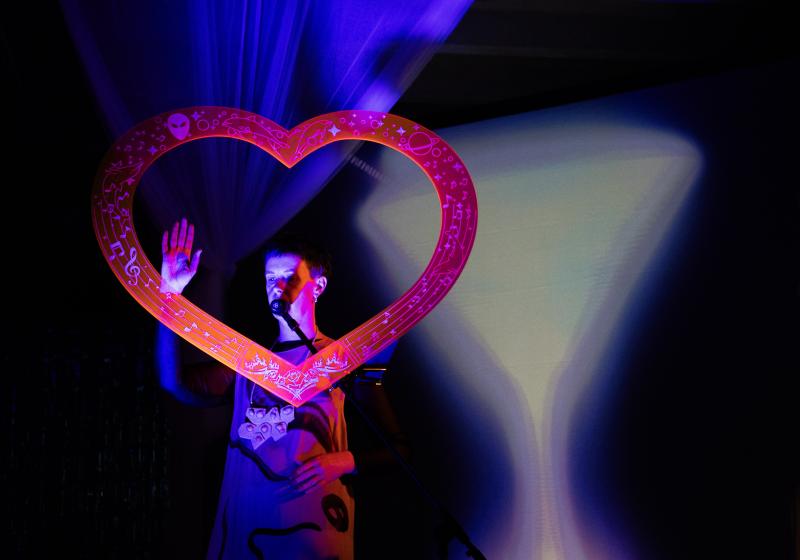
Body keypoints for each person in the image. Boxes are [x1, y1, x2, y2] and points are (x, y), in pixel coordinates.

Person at [156, 218, 358, 559]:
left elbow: (398, 447)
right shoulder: (249, 365)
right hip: (247, 528)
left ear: (318, 285)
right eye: (269, 278)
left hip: (314, 531)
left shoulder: (346, 358)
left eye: (289, 276)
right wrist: (169, 296)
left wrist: (344, 461)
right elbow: (172, 382)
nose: (277, 287)